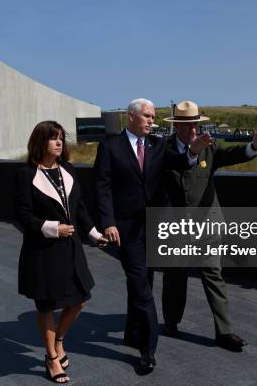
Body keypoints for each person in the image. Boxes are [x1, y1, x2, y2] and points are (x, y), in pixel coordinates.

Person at [93, 98, 199, 374]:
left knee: (142, 282)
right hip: (126, 230)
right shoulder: (109, 146)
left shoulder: (157, 145)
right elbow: (102, 187)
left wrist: (192, 152)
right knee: (142, 286)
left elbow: (180, 162)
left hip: (154, 226)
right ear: (131, 117)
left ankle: (131, 331)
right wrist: (108, 223)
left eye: (154, 117)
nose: (152, 121)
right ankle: (147, 350)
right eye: (148, 116)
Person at [161, 100, 257, 352]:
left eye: (196, 125)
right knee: (174, 276)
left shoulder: (209, 149)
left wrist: (254, 147)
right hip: (177, 226)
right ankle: (171, 321)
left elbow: (232, 155)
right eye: (188, 125)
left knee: (213, 275)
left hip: (207, 224)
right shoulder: (163, 149)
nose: (193, 130)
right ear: (176, 125)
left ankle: (224, 332)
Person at [14, 120, 108, 384]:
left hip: (70, 248)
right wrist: (53, 228)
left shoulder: (67, 169)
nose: (59, 142)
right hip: (42, 250)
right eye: (53, 138)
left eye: (60, 138)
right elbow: (22, 215)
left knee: (79, 298)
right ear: (40, 142)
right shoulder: (25, 174)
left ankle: (59, 339)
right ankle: (52, 358)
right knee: (45, 305)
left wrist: (95, 234)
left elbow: (79, 209)